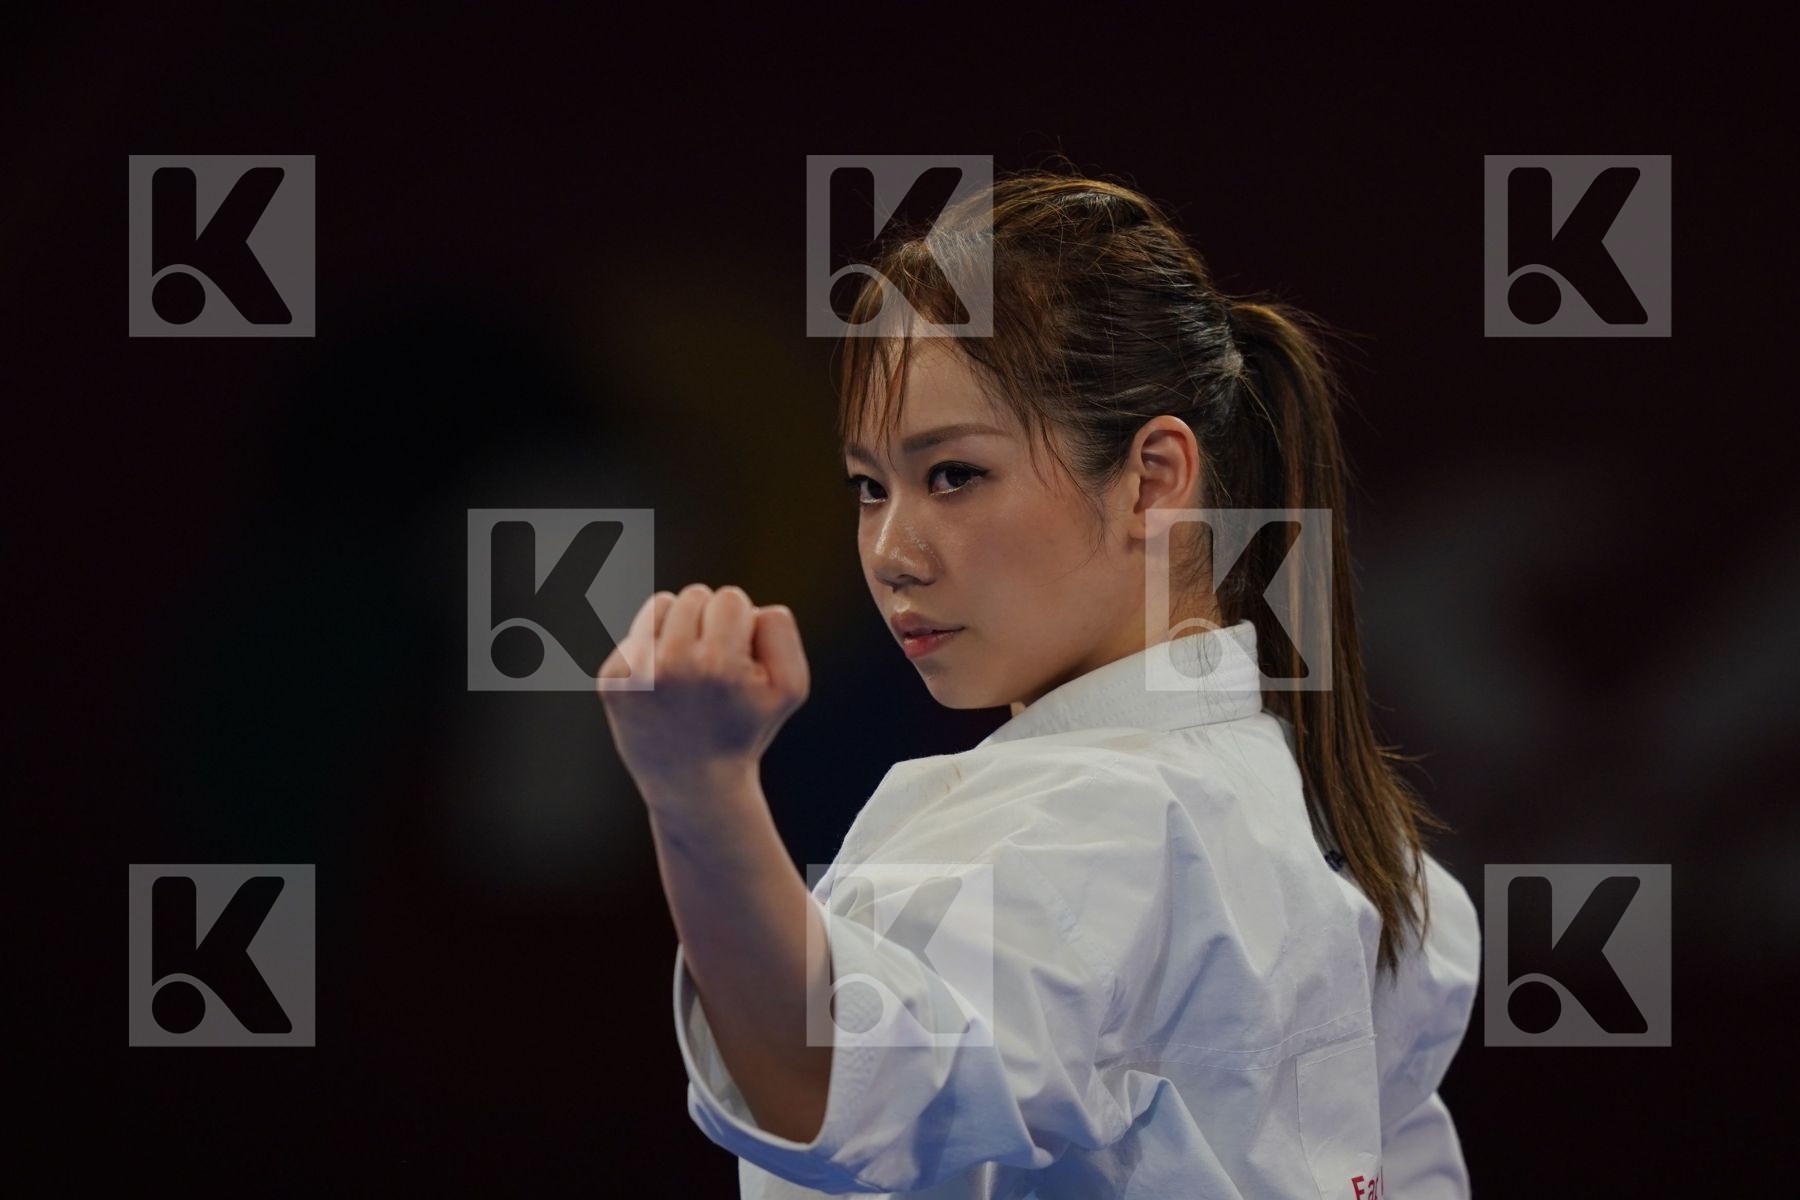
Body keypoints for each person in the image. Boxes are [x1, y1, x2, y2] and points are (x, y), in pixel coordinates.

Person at [597, 167, 1481, 1198]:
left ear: (1153, 478)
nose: (889, 553)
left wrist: (698, 791)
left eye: (955, 475)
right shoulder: (1359, 845)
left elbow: (823, 1083)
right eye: (869, 486)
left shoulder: (1094, 825)